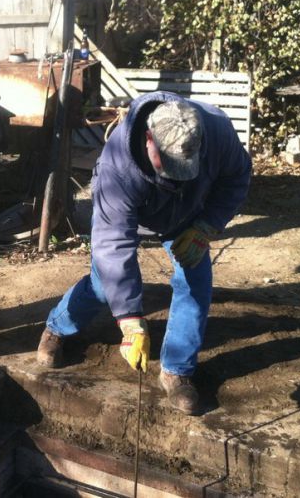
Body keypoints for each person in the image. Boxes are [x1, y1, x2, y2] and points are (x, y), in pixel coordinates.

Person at [36, 93, 251, 414]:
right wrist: (130, 321)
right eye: (169, 165)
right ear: (149, 139)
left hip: (188, 216)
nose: (176, 174)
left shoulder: (216, 130)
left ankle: (177, 370)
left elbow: (237, 176)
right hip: (135, 209)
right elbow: (112, 246)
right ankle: (58, 326)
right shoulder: (117, 168)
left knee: (196, 280)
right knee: (102, 284)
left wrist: (207, 226)